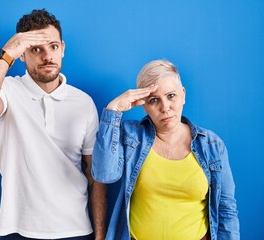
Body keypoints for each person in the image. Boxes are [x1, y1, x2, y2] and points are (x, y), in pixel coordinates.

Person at [0, 9, 106, 240]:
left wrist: (100, 235)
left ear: (63, 48)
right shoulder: (6, 90)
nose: (47, 56)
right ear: (22, 54)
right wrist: (6, 55)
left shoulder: (83, 102)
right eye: (36, 49)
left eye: (53, 47)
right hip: (18, 229)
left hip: (76, 230)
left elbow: (95, 177)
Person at [91, 59, 240, 240]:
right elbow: (104, 174)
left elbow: (226, 209)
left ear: (183, 95)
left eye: (171, 96)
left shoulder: (211, 145)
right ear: (144, 105)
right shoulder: (131, 136)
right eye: (154, 100)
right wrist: (113, 110)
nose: (165, 107)